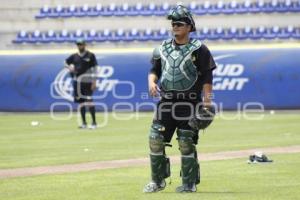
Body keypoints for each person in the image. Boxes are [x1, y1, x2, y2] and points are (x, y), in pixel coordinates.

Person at [143, 5, 217, 193]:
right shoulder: (162, 48)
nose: (175, 26)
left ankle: (189, 183)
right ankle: (157, 181)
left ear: (189, 27)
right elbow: (154, 70)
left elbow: (207, 78)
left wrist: (207, 104)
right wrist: (152, 82)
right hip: (166, 102)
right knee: (155, 139)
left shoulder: (199, 49)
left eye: (179, 24)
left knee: (186, 142)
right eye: (173, 24)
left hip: (190, 102)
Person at [65, 39, 98, 129]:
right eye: (78, 45)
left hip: (87, 81)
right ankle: (84, 123)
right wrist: (69, 67)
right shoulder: (74, 56)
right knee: (81, 103)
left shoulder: (90, 55)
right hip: (77, 82)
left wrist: (94, 81)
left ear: (85, 45)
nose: (80, 46)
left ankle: (94, 122)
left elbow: (95, 69)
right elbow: (65, 62)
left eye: (81, 44)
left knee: (89, 101)